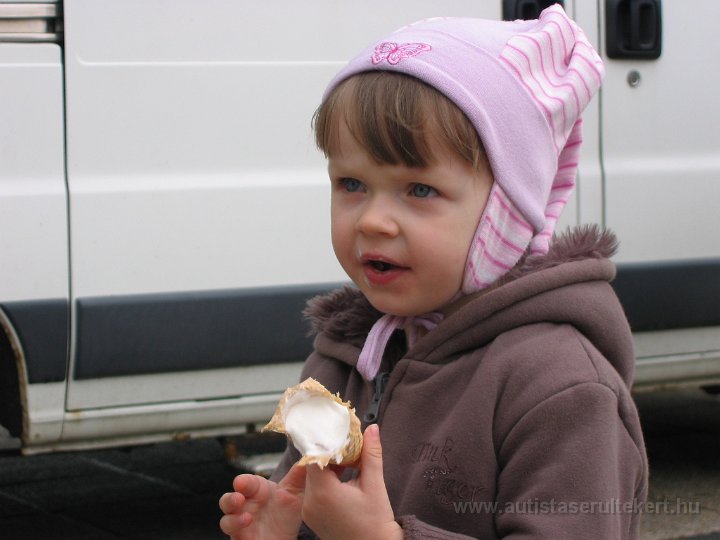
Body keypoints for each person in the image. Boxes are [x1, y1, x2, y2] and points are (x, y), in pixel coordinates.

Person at [219, 5, 648, 538]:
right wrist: (283, 530)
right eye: (351, 184)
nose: (372, 220)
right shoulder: (342, 363)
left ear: (504, 217)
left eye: (420, 189)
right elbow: (314, 506)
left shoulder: (560, 388)